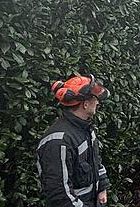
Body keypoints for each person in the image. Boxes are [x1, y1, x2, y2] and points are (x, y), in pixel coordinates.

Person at [38, 74, 111, 206]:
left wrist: (102, 188)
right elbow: (59, 195)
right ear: (85, 103)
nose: (98, 102)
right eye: (95, 99)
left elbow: (95, 161)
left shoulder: (86, 128)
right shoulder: (58, 141)